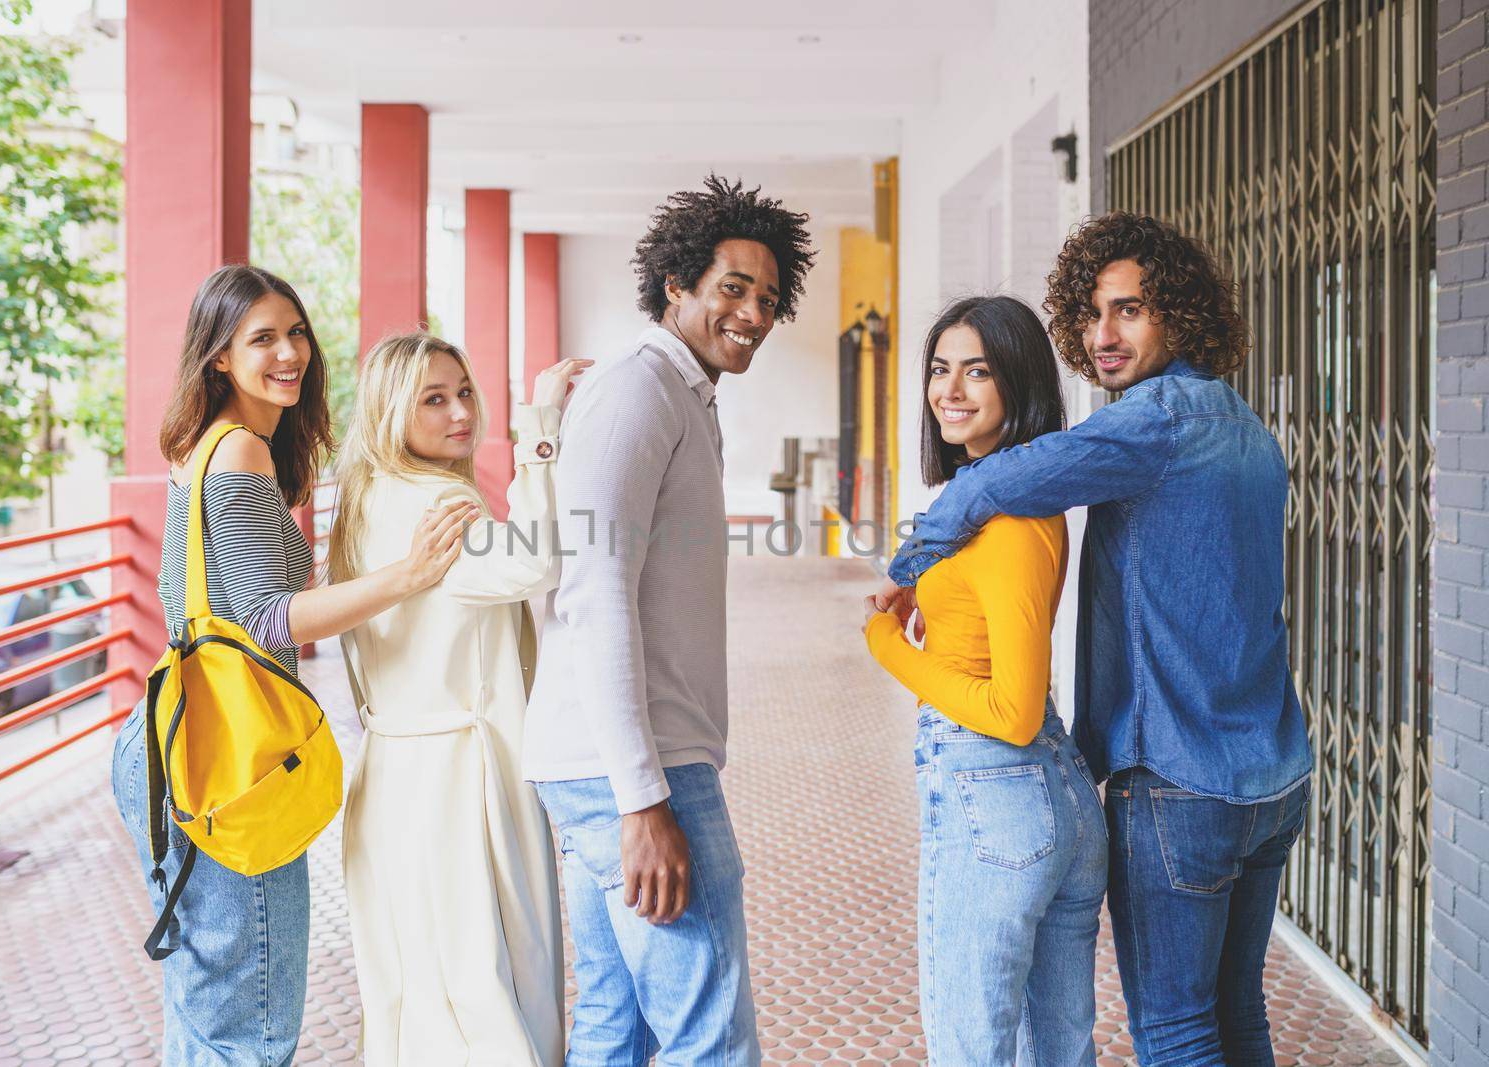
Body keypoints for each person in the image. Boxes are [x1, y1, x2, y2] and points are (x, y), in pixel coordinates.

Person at [876, 213, 1313, 1066]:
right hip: (1273, 776)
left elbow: (1006, 473)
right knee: (1239, 1014)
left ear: (1180, 317)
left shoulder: (1153, 424)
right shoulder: (1249, 431)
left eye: (1131, 311)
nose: (1102, 335)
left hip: (1181, 779)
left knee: (1180, 1031)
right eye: (1091, 314)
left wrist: (907, 563)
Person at [110, 265, 476, 1065]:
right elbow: (263, 618)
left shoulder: (205, 445)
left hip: (181, 741)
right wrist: (406, 576)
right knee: (250, 1021)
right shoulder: (238, 449)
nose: (290, 353)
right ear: (218, 357)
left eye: (296, 332)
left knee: (211, 1012)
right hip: (223, 758)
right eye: (262, 338)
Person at [522, 175, 814, 1064]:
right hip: (636, 768)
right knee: (710, 1038)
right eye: (733, 288)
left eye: (768, 297)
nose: (754, 313)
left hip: (609, 760)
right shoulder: (639, 390)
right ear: (676, 286)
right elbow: (593, 590)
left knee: (620, 1029)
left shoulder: (680, 393)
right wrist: (643, 799)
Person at [328, 330, 590, 1066]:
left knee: (414, 988)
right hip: (459, 772)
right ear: (388, 411)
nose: (460, 412)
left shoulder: (362, 498)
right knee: (491, 979)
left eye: (464, 392)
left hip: (390, 769)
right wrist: (540, 425)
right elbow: (534, 561)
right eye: (433, 399)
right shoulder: (436, 499)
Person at [863, 296, 1106, 1065]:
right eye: (940, 368)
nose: (951, 389)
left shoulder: (1008, 520)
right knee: (1057, 1051)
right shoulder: (997, 500)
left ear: (1019, 383)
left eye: (978, 370)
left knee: (973, 1049)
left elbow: (1011, 709)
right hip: (1051, 797)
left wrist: (885, 644)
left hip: (996, 794)